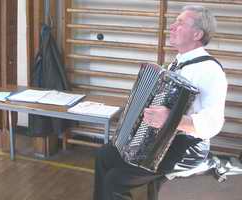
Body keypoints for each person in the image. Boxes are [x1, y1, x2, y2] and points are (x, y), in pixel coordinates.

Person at [93, 5, 227, 200]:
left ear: (197, 33)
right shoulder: (176, 63)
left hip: (186, 147)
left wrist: (172, 120)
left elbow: (213, 124)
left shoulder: (210, 71)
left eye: (180, 23)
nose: (171, 27)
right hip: (160, 140)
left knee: (115, 180)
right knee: (104, 155)